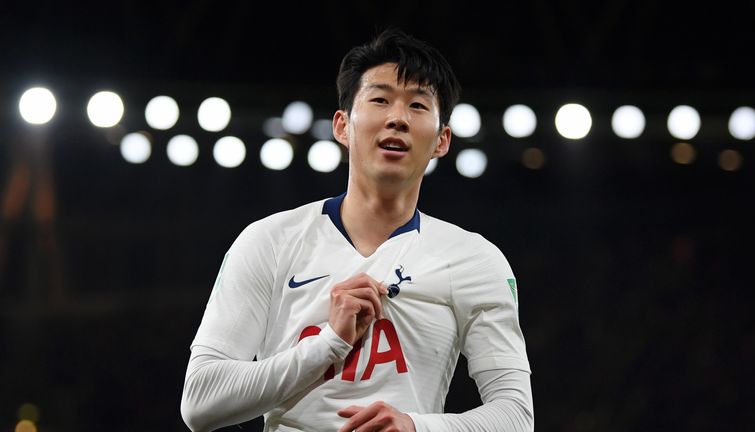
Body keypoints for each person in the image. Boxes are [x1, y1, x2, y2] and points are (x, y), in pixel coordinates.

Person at [180, 28, 534, 432]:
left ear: (442, 141)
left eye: (418, 106)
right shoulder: (269, 241)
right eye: (380, 99)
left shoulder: (474, 260)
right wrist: (329, 343)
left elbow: (517, 416)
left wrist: (418, 428)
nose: (397, 118)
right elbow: (200, 402)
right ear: (342, 126)